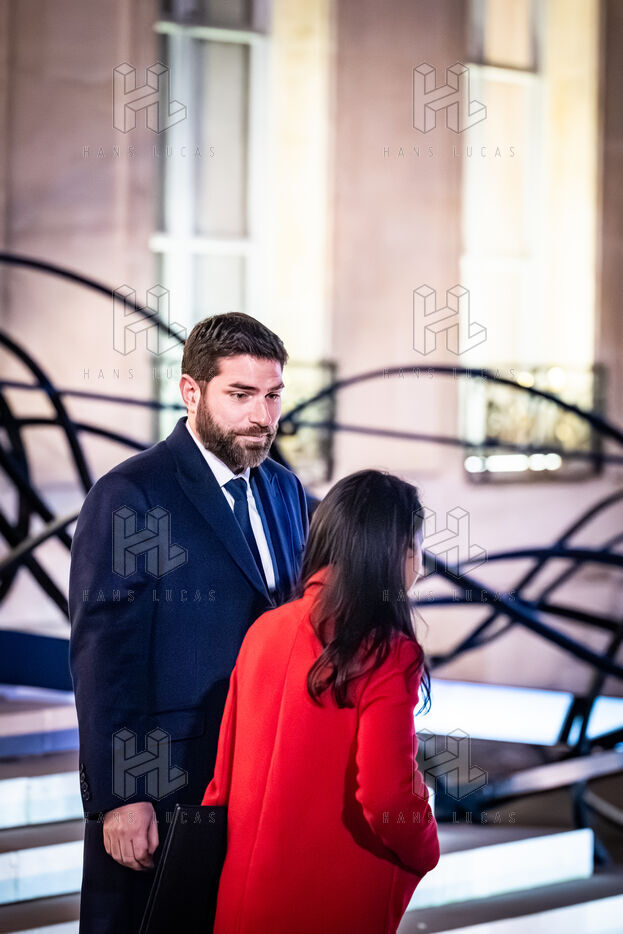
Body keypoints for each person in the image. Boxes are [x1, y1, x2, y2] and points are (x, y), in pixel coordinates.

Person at [68, 312, 309, 933]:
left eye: (273, 395)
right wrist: (123, 797)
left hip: (260, 776)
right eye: (241, 395)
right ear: (191, 392)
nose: (262, 415)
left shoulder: (284, 490)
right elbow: (107, 656)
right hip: (166, 785)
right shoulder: (134, 493)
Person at [202, 469, 440, 934]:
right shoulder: (386, 652)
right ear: (393, 551)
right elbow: (386, 795)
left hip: (240, 904)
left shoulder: (265, 630)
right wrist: (426, 846)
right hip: (330, 902)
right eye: (417, 547)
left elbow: (222, 781)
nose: (421, 567)